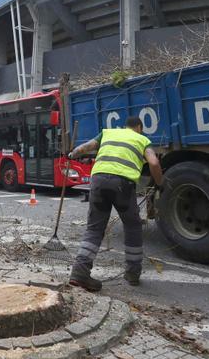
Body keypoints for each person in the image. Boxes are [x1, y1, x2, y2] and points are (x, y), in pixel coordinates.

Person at [66, 117, 164, 291]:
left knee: (94, 229)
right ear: (139, 127)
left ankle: (80, 273)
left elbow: (83, 149)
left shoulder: (107, 133)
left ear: (124, 126)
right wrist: (160, 184)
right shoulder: (142, 139)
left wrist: (71, 155)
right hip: (122, 185)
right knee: (132, 226)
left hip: (98, 181)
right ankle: (132, 274)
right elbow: (154, 162)